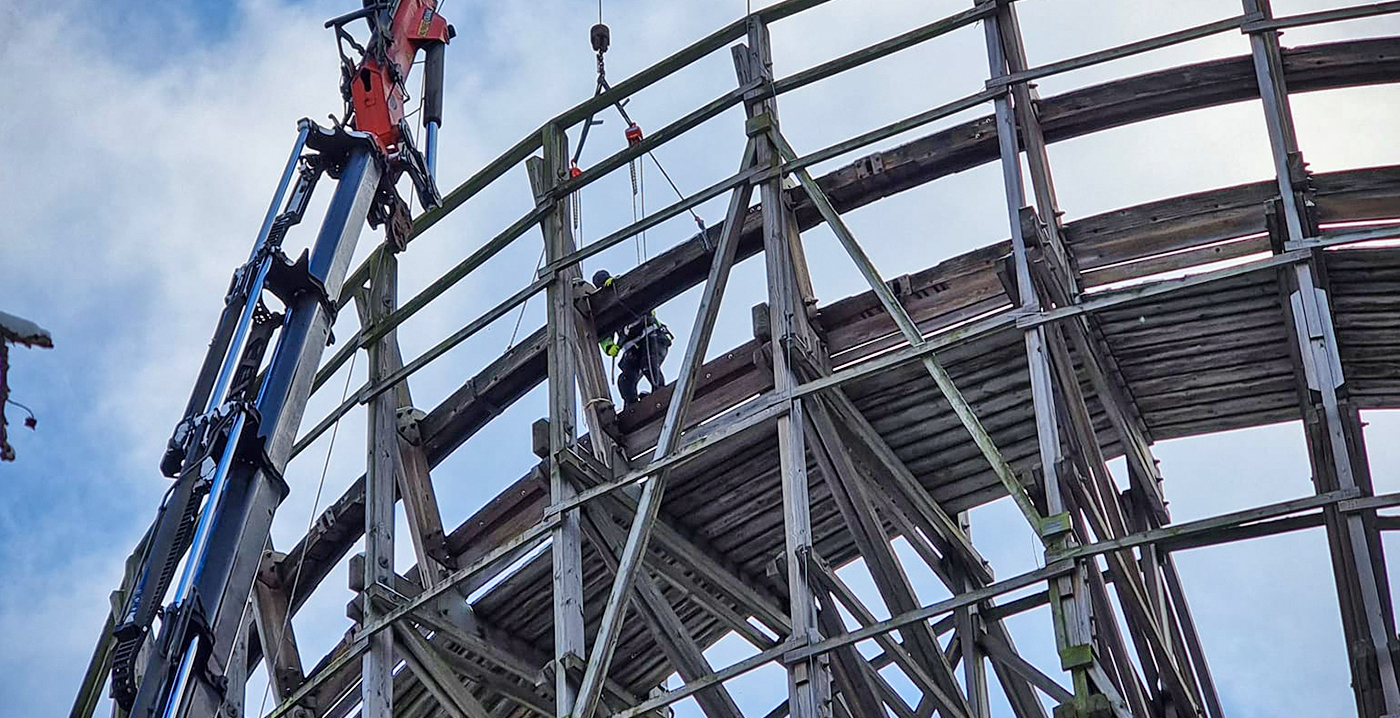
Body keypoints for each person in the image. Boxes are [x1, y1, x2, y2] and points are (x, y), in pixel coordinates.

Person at [593, 269, 673, 407]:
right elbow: (603, 332)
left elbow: (639, 291)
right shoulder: (604, 307)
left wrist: (616, 285)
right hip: (632, 347)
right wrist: (609, 346)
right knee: (625, 379)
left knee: (648, 364)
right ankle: (631, 405)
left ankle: (659, 392)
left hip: (651, 336)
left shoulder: (622, 288)